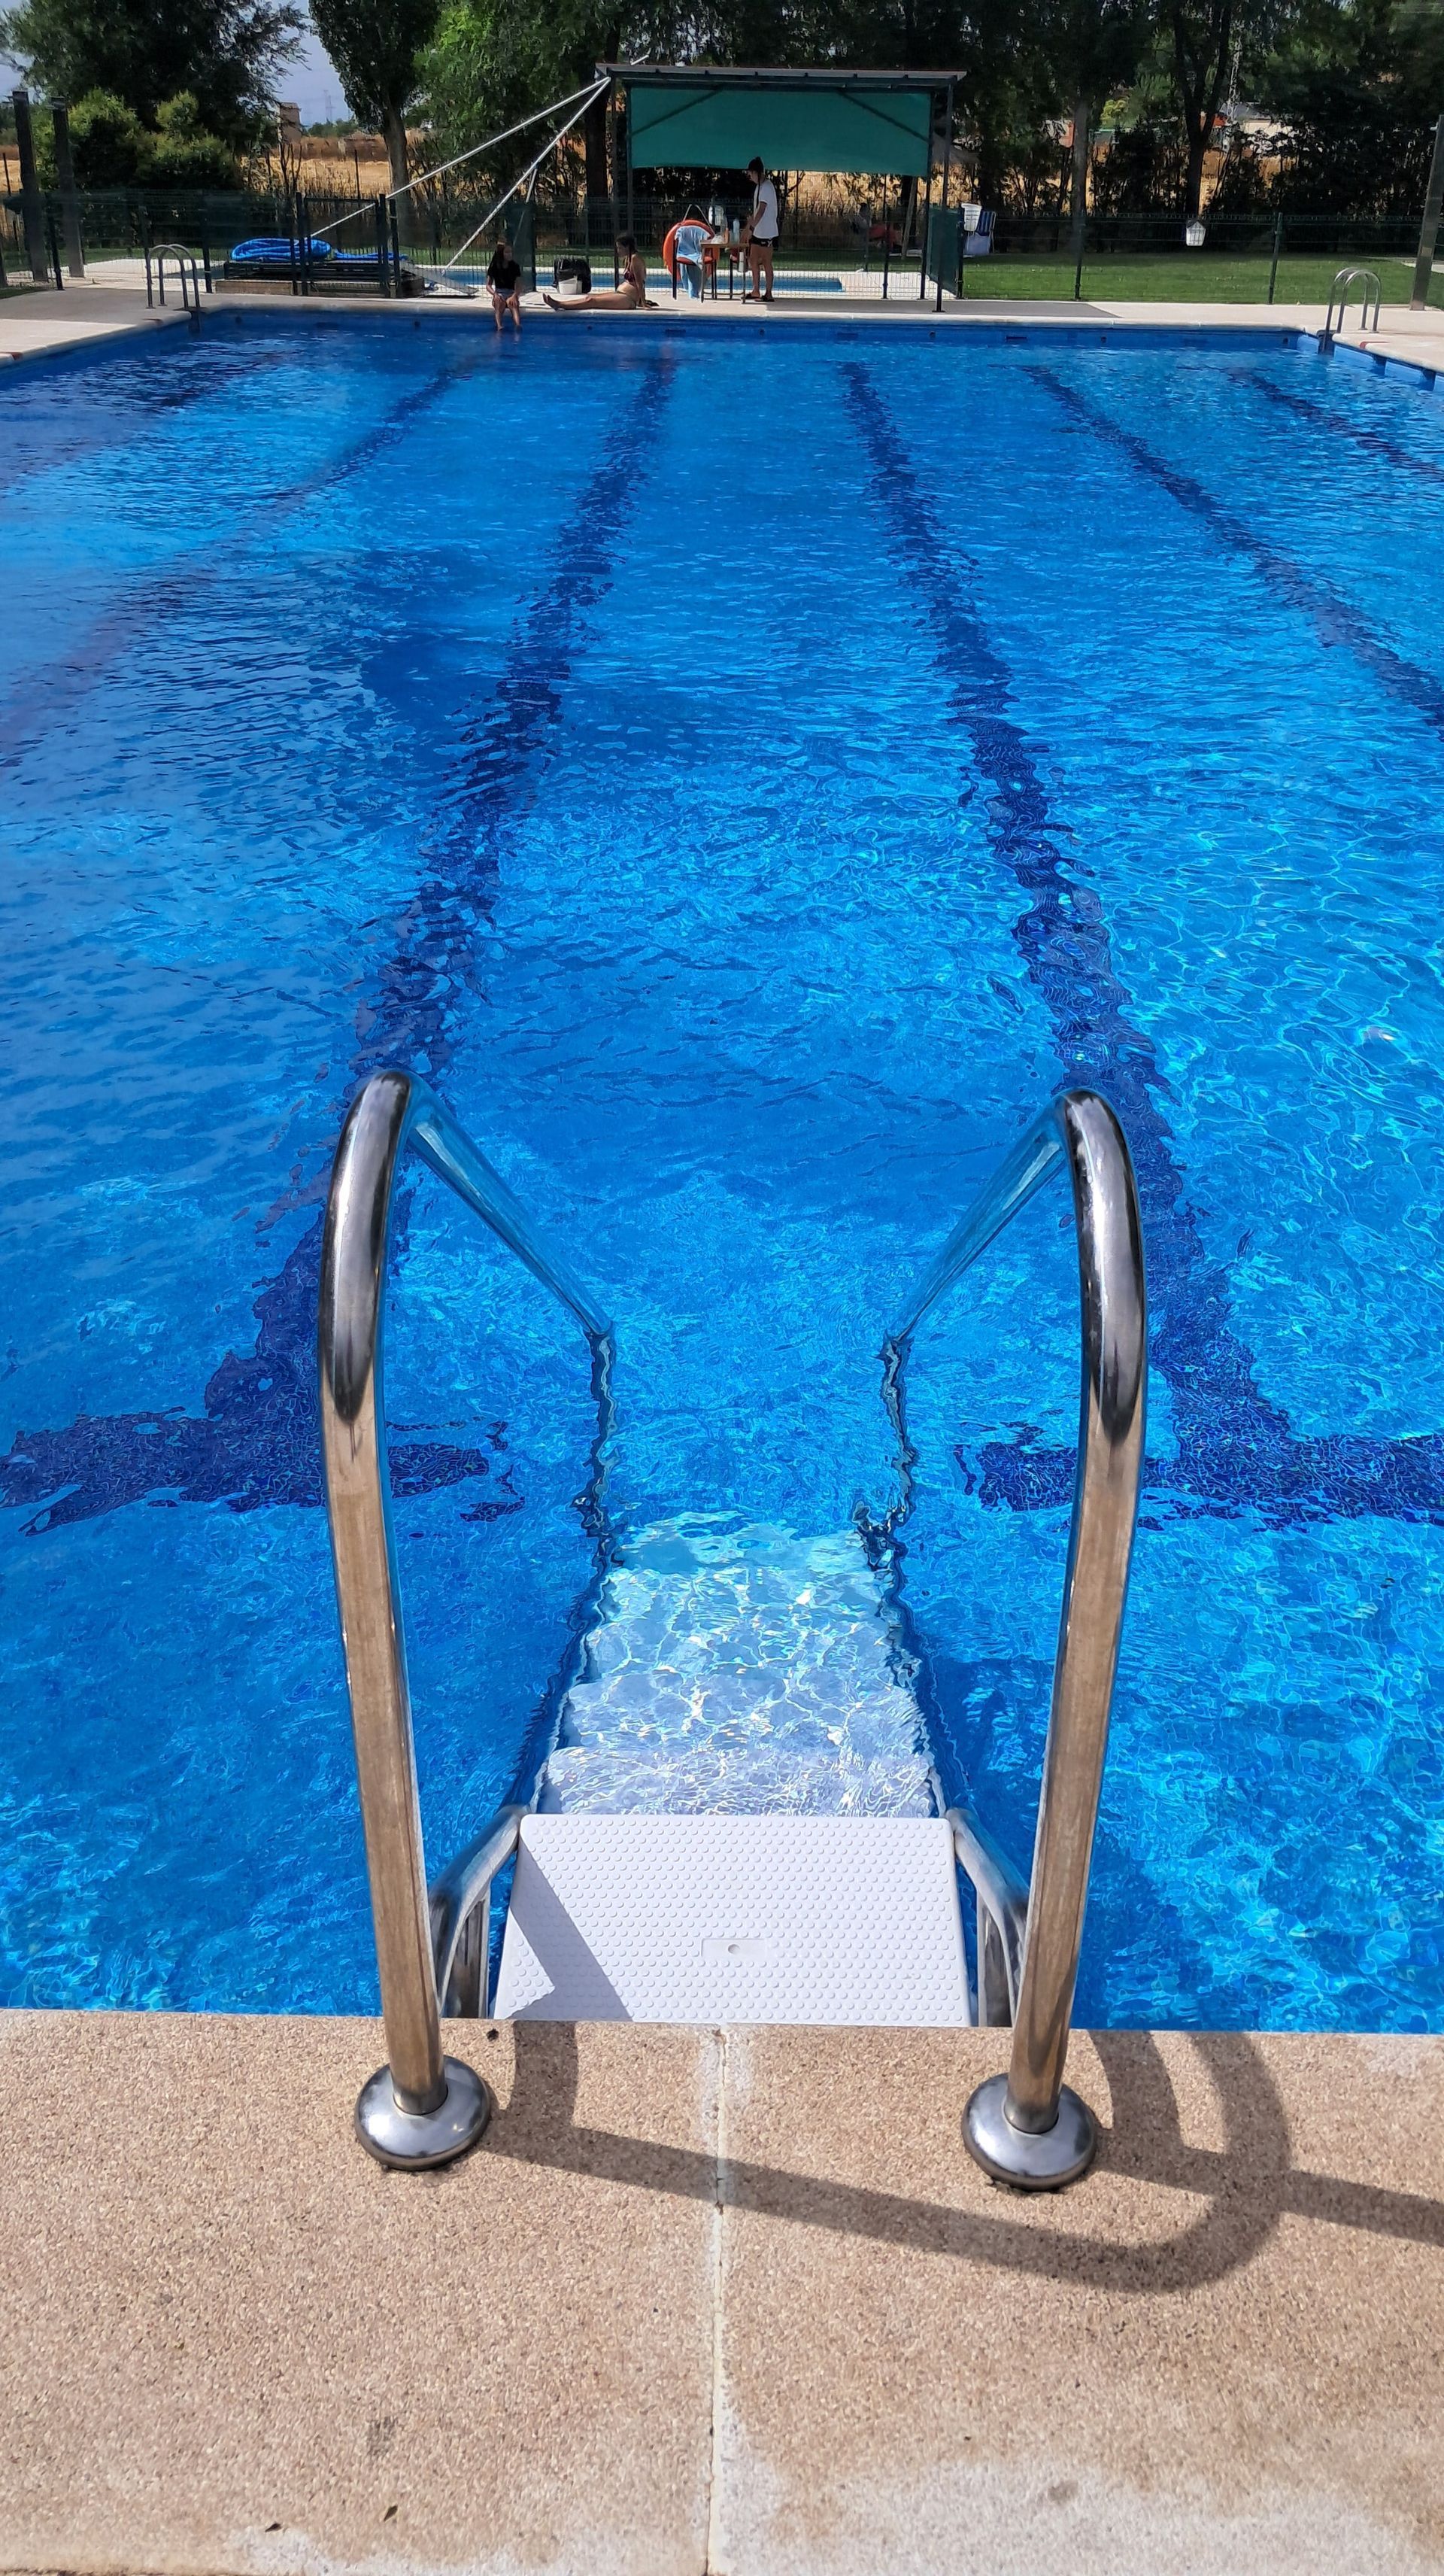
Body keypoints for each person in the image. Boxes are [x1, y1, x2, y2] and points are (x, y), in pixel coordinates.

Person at [543, 237, 653, 312]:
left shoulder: (635, 259)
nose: (618, 251)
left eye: (620, 248)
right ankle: (560, 303)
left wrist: (643, 303)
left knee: (591, 301)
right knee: (590, 297)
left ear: (627, 247)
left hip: (628, 299)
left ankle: (559, 304)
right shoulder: (628, 259)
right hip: (622, 295)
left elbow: (640, 283)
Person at [742, 156, 779, 302]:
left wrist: (751, 227)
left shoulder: (768, 188)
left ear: (757, 172)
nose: (750, 177)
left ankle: (768, 293)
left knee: (766, 261)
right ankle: (756, 290)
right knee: (752, 259)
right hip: (759, 231)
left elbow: (762, 210)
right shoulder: (759, 187)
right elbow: (757, 210)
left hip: (767, 232)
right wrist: (748, 228)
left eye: (751, 174)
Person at [487, 233, 523, 332]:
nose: (510, 254)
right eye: (507, 252)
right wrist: (495, 295)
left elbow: (519, 286)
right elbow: (488, 286)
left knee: (513, 304)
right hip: (499, 292)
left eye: (511, 252)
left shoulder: (515, 266)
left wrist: (515, 295)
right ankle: (499, 326)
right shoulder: (494, 267)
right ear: (501, 253)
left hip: (511, 293)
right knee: (499, 304)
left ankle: (518, 325)